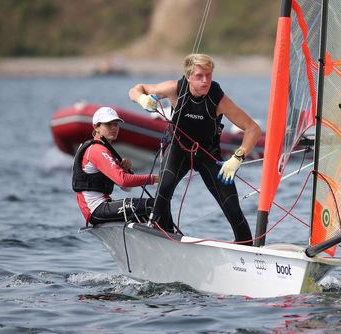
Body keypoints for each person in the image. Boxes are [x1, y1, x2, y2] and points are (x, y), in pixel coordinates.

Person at [128, 53, 261, 245]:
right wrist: (141, 99)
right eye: (199, 76)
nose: (205, 81)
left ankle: (247, 246)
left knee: (232, 206)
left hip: (208, 154)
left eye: (209, 75)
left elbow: (252, 129)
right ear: (189, 76)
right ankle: (164, 236)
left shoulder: (219, 100)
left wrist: (237, 158)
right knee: (163, 190)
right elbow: (135, 89)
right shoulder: (174, 89)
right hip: (178, 149)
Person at [72, 106, 159, 226]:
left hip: (101, 207)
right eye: (108, 124)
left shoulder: (106, 150)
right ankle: (172, 239)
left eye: (116, 124)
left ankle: (165, 237)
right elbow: (123, 181)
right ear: (96, 127)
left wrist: (124, 171)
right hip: (97, 209)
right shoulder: (97, 150)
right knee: (154, 205)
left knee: (155, 208)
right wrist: (154, 179)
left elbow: (126, 189)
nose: (114, 128)